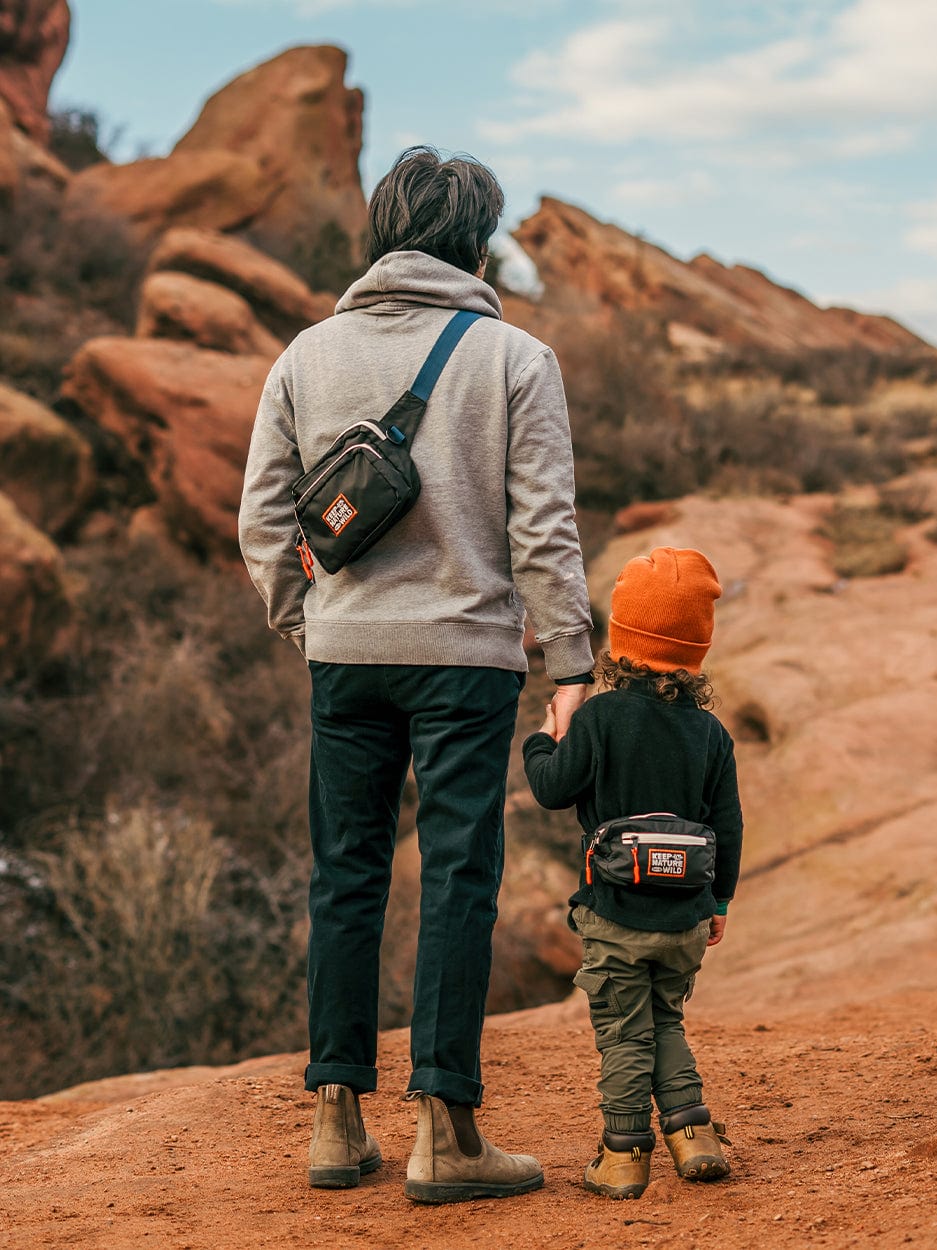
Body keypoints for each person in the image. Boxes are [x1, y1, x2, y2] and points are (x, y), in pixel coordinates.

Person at [238, 146, 594, 1204]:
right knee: (457, 877)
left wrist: (312, 623)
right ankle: (446, 1132)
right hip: (467, 665)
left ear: (380, 233)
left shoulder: (306, 354)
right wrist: (568, 660)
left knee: (343, 874)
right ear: (475, 240)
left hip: (346, 657)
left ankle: (335, 1122)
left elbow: (263, 521)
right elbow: (545, 531)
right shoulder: (516, 359)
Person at [522, 546, 743, 1200]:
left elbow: (553, 790)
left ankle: (622, 1156)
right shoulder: (709, 733)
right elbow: (727, 826)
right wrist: (719, 899)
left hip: (614, 916)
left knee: (624, 1030)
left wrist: (546, 739)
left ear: (620, 639)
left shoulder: (598, 719)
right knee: (666, 1020)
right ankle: (693, 1132)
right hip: (683, 916)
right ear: (695, 651)